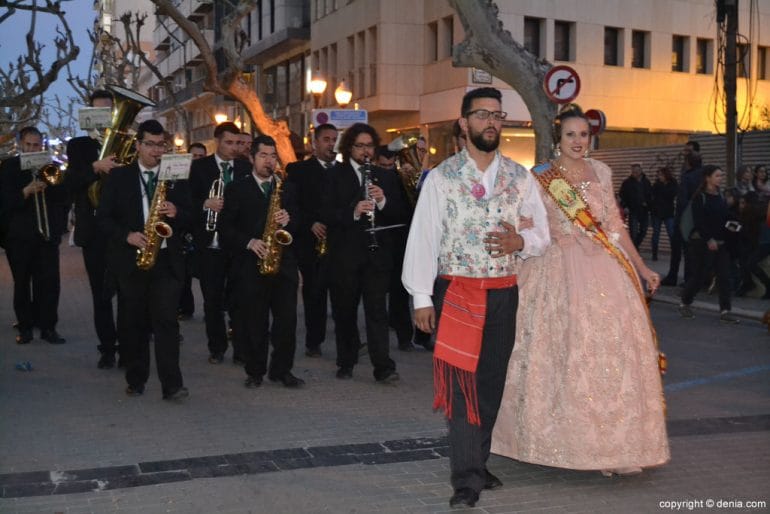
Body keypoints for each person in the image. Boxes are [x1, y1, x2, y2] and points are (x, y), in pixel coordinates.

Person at [491, 104, 669, 479]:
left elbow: (615, 227)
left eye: (583, 135)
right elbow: (527, 224)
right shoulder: (541, 176)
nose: (577, 141)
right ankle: (570, 444)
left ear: (591, 138)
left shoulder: (601, 171)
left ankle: (617, 447)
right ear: (559, 137)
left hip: (605, 270)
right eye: (570, 134)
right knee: (564, 354)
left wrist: (642, 267)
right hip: (558, 270)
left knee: (614, 357)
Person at [402, 87, 550, 508]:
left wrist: (521, 239)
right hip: (457, 293)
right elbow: (423, 239)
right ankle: (466, 478)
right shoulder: (442, 179)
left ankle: (478, 460)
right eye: (481, 114)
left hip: (503, 293)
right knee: (461, 386)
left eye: (497, 115)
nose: (491, 122)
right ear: (464, 123)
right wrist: (420, 297)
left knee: (490, 384)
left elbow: (543, 234)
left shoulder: (521, 178)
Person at [97, 119, 193, 400]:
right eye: (149, 144)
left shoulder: (176, 174)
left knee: (166, 322)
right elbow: (102, 219)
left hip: (165, 260)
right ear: (137, 146)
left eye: (160, 144)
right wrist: (127, 235)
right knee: (133, 323)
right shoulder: (119, 177)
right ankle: (136, 378)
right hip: (131, 260)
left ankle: (172, 385)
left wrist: (177, 211)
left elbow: (192, 216)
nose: (156, 151)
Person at [321, 122, 408, 383]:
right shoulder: (334, 175)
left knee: (377, 312)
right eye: (359, 146)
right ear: (349, 148)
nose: (365, 151)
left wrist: (382, 201)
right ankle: (346, 361)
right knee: (345, 311)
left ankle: (383, 367)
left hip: (376, 255)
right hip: (345, 255)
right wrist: (354, 211)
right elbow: (326, 213)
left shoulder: (387, 176)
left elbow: (401, 213)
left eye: (369, 146)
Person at [219, 135, 304, 388]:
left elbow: (299, 223)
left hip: (283, 264)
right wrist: (249, 242)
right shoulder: (236, 188)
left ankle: (282, 370)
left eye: (273, 156)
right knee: (254, 322)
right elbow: (225, 229)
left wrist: (289, 219)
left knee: (287, 321)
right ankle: (255, 371)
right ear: (252, 158)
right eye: (264, 156)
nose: (269, 161)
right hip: (250, 265)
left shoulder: (287, 188)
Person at [64, 90, 120, 365]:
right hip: (93, 228)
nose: (103, 116)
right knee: (101, 295)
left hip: (122, 228)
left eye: (108, 111)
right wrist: (95, 167)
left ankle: (131, 344)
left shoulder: (125, 142)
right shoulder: (78, 146)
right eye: (98, 111)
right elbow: (71, 183)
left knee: (129, 292)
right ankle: (107, 348)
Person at [189, 122, 251, 364]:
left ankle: (241, 348)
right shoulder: (199, 168)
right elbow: (187, 203)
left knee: (239, 298)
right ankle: (217, 347)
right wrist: (206, 204)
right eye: (229, 142)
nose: (234, 147)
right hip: (210, 242)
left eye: (237, 143)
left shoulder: (246, 167)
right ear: (217, 142)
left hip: (237, 243)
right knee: (212, 299)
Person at [1, 126, 69, 345]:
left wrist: (50, 186)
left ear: (42, 145)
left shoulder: (50, 166)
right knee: (22, 283)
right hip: (19, 238)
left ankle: (49, 327)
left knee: (49, 282)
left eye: (37, 144)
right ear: (20, 144)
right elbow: (3, 202)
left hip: (47, 235)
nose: (33, 148)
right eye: (29, 144)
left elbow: (63, 198)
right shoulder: (9, 166)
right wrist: (25, 192)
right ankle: (25, 327)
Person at [285, 123, 337, 358]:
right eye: (326, 139)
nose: (331, 144)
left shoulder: (342, 170)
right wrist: (310, 223)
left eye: (334, 139)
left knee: (341, 292)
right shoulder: (298, 170)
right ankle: (313, 341)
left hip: (337, 240)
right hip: (308, 241)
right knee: (314, 292)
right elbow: (291, 205)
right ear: (314, 143)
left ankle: (347, 341)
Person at [375, 144, 433, 352]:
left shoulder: (401, 178)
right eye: (383, 166)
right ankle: (398, 334)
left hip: (404, 239)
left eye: (391, 165)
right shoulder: (372, 180)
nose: (388, 169)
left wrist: (414, 182)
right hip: (383, 241)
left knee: (400, 291)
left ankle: (408, 337)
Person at [679, 165, 741, 323]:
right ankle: (685, 302)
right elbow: (699, 222)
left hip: (721, 243)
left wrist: (735, 224)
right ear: (708, 178)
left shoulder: (719, 196)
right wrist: (708, 239)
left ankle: (725, 311)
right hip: (702, 243)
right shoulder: (700, 197)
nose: (721, 178)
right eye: (718, 176)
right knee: (699, 277)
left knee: (724, 277)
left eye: (721, 175)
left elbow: (723, 217)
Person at [177, 142, 208, 320]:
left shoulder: (206, 176)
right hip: (184, 230)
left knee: (204, 273)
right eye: (194, 156)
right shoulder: (180, 176)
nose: (197, 160)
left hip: (201, 230)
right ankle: (185, 308)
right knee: (183, 274)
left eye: (200, 157)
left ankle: (210, 307)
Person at [663, 151, 703, 286]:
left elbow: (682, 200)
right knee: (690, 250)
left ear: (689, 162)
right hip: (698, 217)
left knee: (677, 249)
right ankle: (689, 277)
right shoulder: (704, 175)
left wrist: (680, 218)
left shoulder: (687, 177)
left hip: (684, 217)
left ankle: (673, 277)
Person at [619, 162, 652, 249]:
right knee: (633, 232)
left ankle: (634, 247)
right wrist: (625, 206)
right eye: (633, 171)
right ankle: (634, 250)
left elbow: (650, 195)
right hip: (633, 210)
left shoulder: (646, 182)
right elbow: (622, 195)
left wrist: (648, 203)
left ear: (640, 171)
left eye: (637, 171)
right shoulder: (627, 183)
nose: (635, 173)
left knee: (643, 231)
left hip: (644, 210)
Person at [650, 166, 678, 261]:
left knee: (671, 233)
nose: (659, 176)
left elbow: (673, 193)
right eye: (659, 175)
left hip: (668, 212)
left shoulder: (673, 183)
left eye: (661, 175)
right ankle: (654, 254)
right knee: (656, 234)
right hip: (657, 212)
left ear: (666, 175)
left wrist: (663, 190)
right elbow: (653, 196)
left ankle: (674, 253)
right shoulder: (656, 184)